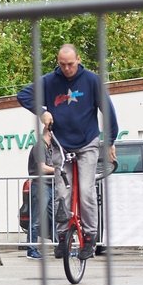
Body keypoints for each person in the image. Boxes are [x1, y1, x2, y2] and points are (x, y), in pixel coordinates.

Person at [17, 43, 119, 261]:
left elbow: (108, 111)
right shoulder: (49, 81)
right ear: (58, 62)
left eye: (70, 64)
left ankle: (90, 237)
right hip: (61, 144)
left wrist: (110, 141)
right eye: (62, 65)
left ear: (78, 59)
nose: (67, 69)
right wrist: (42, 111)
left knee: (86, 191)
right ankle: (63, 236)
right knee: (62, 193)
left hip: (87, 142)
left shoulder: (92, 80)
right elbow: (23, 95)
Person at [26, 127, 55, 260]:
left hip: (49, 186)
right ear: (50, 133)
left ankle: (60, 247)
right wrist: (58, 169)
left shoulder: (48, 148)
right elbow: (42, 167)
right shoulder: (39, 147)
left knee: (55, 218)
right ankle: (31, 250)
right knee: (36, 219)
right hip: (41, 186)